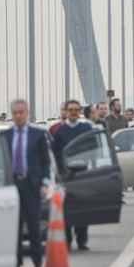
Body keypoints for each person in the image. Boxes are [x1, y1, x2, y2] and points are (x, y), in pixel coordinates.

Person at [0, 99, 50, 267]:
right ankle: (15, 264)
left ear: (27, 113)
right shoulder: (5, 136)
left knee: (34, 225)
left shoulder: (38, 135)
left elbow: (45, 162)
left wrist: (44, 184)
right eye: (15, 113)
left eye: (21, 112)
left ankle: (38, 263)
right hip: (13, 184)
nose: (18, 116)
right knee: (14, 225)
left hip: (31, 185)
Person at [52, 100, 92, 250]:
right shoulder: (60, 131)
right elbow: (56, 153)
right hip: (66, 176)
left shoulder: (86, 128)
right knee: (66, 209)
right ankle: (67, 240)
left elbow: (92, 149)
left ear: (79, 111)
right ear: (66, 112)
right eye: (71, 110)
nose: (73, 112)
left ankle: (82, 240)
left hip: (83, 174)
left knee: (82, 208)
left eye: (76, 109)